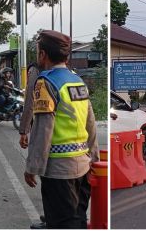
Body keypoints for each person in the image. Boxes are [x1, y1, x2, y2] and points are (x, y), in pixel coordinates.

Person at [24, 30, 98, 229]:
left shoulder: (47, 83)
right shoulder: (77, 80)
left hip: (59, 172)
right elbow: (90, 123)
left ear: (43, 55)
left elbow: (43, 129)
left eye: (38, 51)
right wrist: (95, 158)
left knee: (62, 224)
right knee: (78, 220)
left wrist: (32, 167)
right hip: (82, 166)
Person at [18, 63, 41, 149]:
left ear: (42, 54)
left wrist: (24, 131)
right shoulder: (74, 77)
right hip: (78, 149)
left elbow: (29, 104)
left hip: (43, 137)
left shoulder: (36, 72)